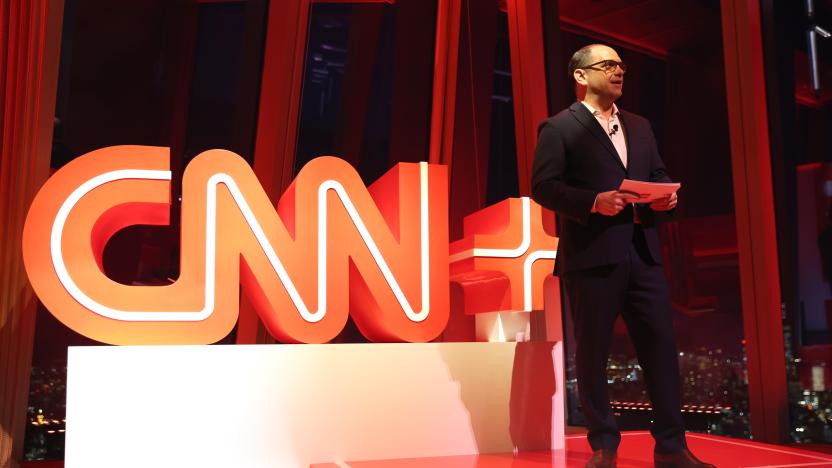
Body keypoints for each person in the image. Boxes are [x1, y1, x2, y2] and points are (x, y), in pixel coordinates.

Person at [531, 44, 714, 468]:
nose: (618, 72)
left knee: (661, 349)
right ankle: (604, 447)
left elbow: (658, 174)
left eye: (620, 66)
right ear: (580, 76)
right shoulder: (559, 128)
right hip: (592, 255)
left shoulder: (640, 125)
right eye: (607, 65)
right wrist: (594, 201)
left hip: (643, 252)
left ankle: (671, 447)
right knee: (593, 353)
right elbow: (543, 186)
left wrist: (666, 196)